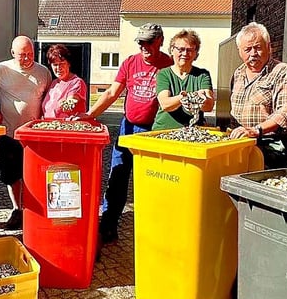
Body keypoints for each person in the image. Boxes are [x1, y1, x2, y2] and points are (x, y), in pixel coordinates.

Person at [75, 23, 174, 244]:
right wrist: (90, 114)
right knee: (118, 176)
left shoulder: (169, 64)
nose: (144, 46)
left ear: (160, 40)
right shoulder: (130, 62)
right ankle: (109, 224)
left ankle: (154, 229)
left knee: (151, 181)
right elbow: (111, 92)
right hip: (128, 128)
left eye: (149, 41)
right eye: (141, 42)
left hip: (154, 133)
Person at [0, 35, 51, 229]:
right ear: (12, 53)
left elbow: (49, 97)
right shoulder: (1, 70)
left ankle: (33, 212)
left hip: (35, 137)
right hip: (10, 134)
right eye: (22, 55)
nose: (27, 59)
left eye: (30, 54)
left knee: (34, 175)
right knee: (12, 175)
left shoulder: (43, 72)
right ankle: (17, 209)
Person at [228, 23, 287, 168]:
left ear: (268, 46)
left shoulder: (281, 71)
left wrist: (256, 130)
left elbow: (284, 113)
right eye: (247, 49)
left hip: (270, 147)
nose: (253, 53)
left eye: (258, 47)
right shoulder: (238, 73)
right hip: (241, 144)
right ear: (239, 51)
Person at [153, 29, 214, 130]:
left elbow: (209, 106)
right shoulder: (163, 74)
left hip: (193, 131)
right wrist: (187, 97)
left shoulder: (202, 75)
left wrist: (202, 100)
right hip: (164, 130)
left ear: (196, 54)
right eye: (180, 49)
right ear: (172, 50)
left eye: (190, 50)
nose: (185, 53)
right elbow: (165, 104)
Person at [41, 44, 88, 119]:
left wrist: (69, 103)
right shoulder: (53, 83)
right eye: (55, 64)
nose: (58, 68)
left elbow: (72, 100)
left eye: (62, 64)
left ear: (69, 64)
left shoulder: (77, 82)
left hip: (67, 128)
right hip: (49, 127)